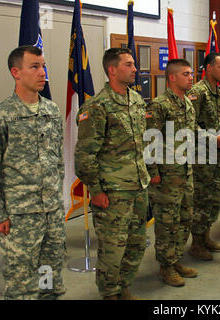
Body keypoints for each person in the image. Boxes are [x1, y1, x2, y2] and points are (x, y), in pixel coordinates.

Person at [0, 45, 66, 300]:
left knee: (50, 278)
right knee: (22, 285)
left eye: (43, 66)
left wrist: (56, 199)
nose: (42, 73)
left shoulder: (52, 111)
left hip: (52, 215)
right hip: (19, 218)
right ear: (16, 72)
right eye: (34, 67)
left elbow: (57, 160)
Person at [74, 48, 150, 300]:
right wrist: (95, 191)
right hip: (113, 192)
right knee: (112, 249)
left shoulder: (137, 100)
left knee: (137, 243)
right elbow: (85, 154)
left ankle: (123, 287)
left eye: (133, 64)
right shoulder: (97, 106)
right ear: (112, 70)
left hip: (138, 187)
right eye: (128, 64)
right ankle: (109, 294)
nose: (135, 69)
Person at [146, 59, 198, 287]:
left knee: (185, 218)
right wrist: (153, 172)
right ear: (173, 77)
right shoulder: (159, 105)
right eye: (186, 74)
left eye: (192, 73)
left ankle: (175, 258)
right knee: (167, 222)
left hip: (185, 172)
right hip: (166, 176)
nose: (191, 77)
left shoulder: (187, 103)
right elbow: (150, 140)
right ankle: (165, 266)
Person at [187, 52, 220, 261]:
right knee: (201, 200)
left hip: (217, 155)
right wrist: (212, 139)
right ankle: (197, 243)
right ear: (209, 68)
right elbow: (189, 123)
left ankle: (206, 236)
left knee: (214, 198)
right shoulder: (198, 92)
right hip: (201, 156)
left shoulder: (219, 94)